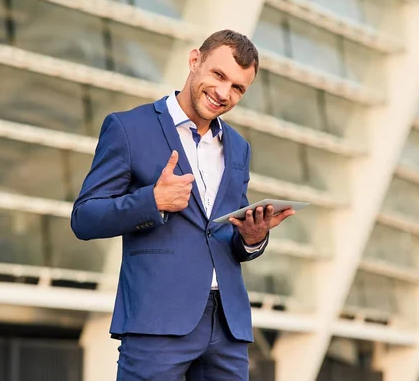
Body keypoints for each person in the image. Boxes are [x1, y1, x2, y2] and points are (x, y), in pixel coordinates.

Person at [71, 29, 295, 380]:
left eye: (238, 88)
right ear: (194, 61)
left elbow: (223, 236)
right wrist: (153, 201)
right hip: (156, 321)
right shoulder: (129, 128)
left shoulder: (238, 147)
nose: (224, 93)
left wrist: (252, 238)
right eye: (219, 75)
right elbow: (84, 218)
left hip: (227, 327)